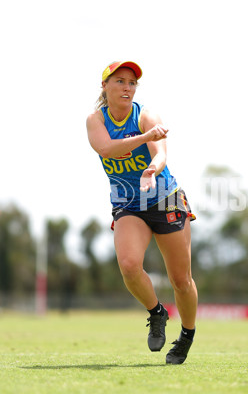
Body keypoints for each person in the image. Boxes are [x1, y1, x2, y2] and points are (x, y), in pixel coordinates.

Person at [86, 61, 198, 364]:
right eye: (120, 81)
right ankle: (157, 312)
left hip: (164, 198)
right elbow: (108, 149)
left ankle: (186, 335)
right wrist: (145, 138)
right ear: (105, 86)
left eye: (132, 83)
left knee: (181, 280)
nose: (127, 87)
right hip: (128, 202)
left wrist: (151, 168)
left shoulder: (146, 115)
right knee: (129, 265)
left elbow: (161, 154)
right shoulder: (95, 120)